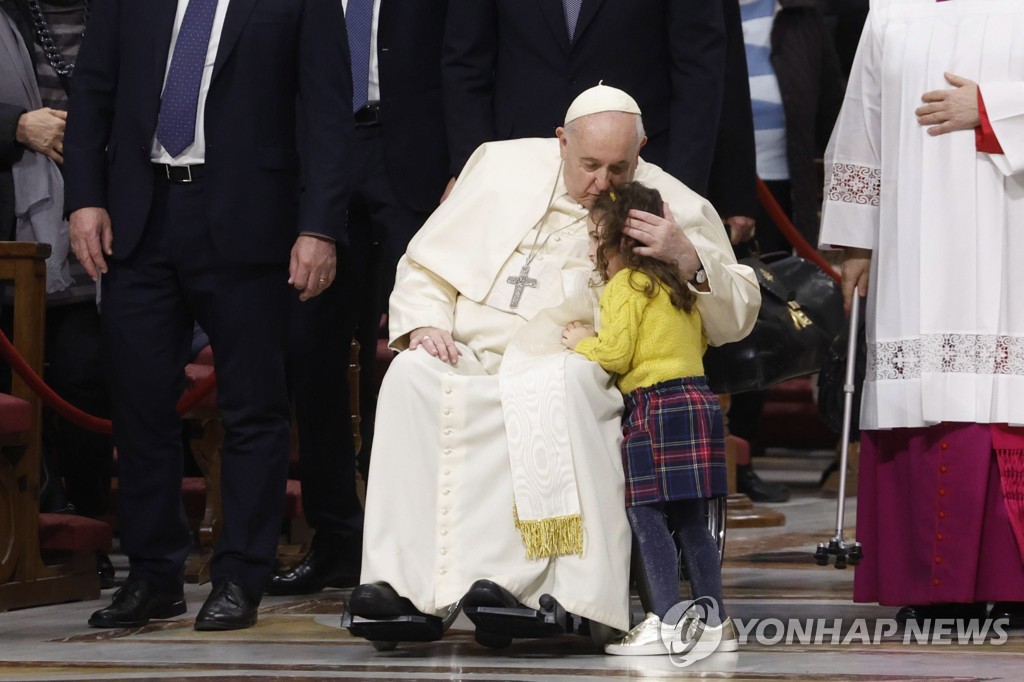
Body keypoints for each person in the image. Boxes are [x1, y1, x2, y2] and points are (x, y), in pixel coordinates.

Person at [346, 84, 759, 645]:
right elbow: (427, 264)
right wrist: (425, 324)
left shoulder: (671, 203)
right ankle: (402, 589)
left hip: (571, 355)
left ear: (641, 149)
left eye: (620, 166)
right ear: (561, 141)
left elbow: (735, 315)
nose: (603, 184)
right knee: (411, 375)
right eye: (589, 164)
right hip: (471, 351)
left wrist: (686, 256)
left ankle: (555, 595)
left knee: (563, 384)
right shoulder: (498, 165)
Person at [64, 0, 352, 630]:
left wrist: (320, 226)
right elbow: (92, 90)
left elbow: (329, 113)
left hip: (252, 220)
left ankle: (239, 576)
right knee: (140, 406)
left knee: (254, 407)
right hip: (139, 218)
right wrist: (83, 197)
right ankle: (153, 575)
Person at [820, 0, 1024, 626]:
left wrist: (993, 110)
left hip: (1007, 231)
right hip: (913, 243)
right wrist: (856, 242)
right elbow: (864, 121)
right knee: (920, 397)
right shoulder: (891, 12)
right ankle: (931, 585)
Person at [270, 0, 450, 598]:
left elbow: (466, 57)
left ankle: (403, 537)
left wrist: (466, 160)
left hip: (418, 165)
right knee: (311, 352)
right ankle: (338, 538)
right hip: (317, 160)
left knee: (409, 353)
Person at [561, 183, 738, 655]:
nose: (593, 247)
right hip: (696, 400)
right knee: (693, 520)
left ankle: (664, 621)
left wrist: (581, 339)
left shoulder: (626, 285)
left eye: (599, 236)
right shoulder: (677, 284)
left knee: (646, 517)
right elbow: (698, 344)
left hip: (655, 406)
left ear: (622, 241)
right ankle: (715, 623)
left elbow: (616, 353)